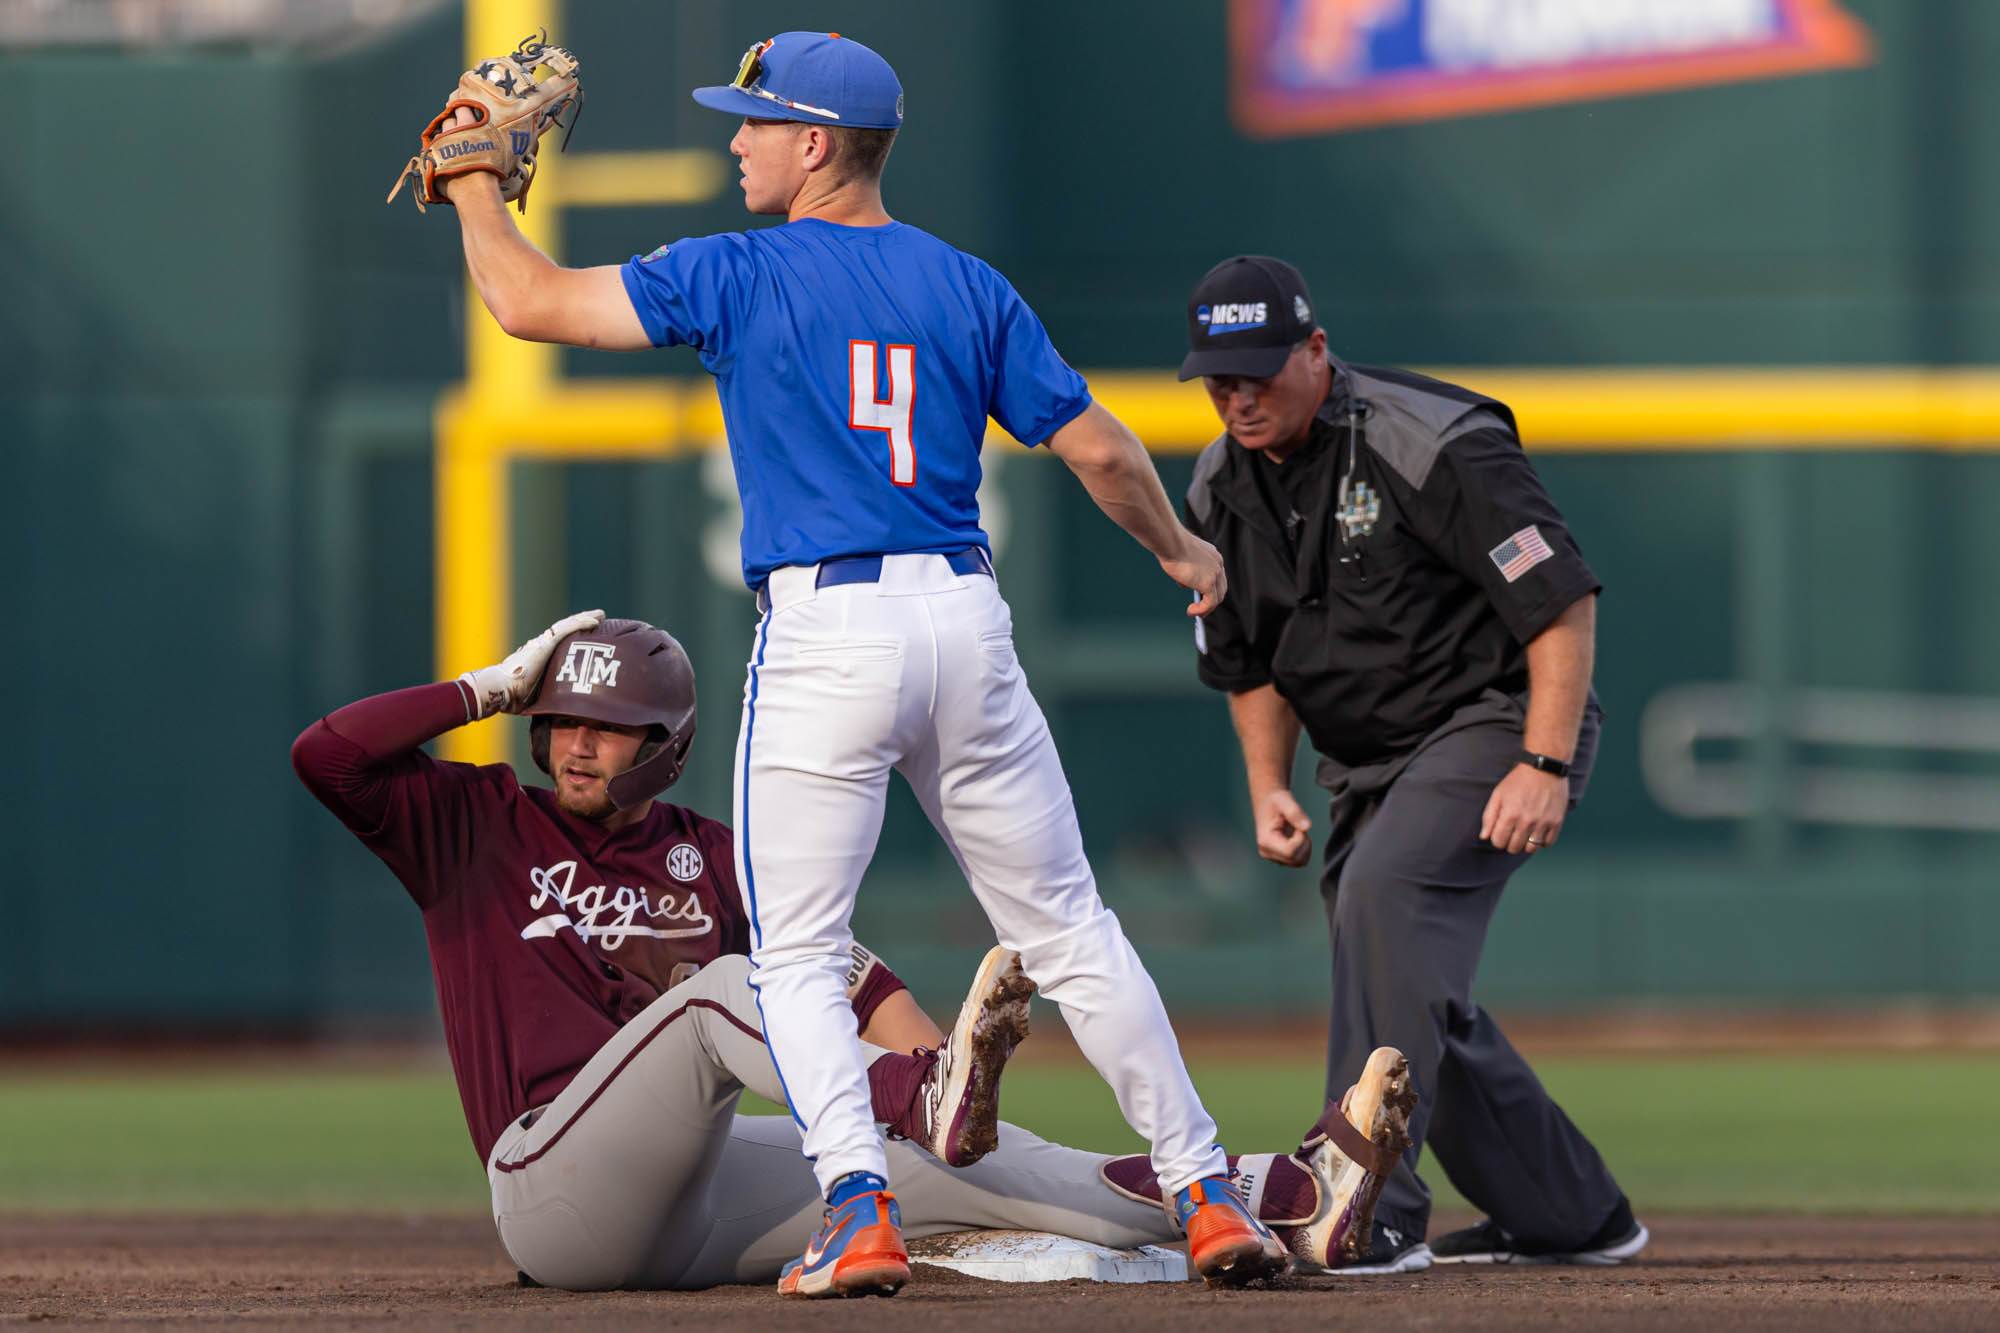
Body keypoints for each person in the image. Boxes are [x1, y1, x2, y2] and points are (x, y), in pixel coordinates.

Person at [420, 30, 1294, 1294]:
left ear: (816, 144)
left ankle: (859, 1210)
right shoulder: (966, 285)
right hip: (962, 622)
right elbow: (1102, 451)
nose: (735, 141)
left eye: (755, 123)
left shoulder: (734, 271)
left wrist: (473, 188)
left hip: (829, 630)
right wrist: (1182, 555)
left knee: (792, 953)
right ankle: (1205, 1191)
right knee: (1068, 930)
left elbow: (526, 301)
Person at [290, 612, 1417, 1290]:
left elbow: (857, 980)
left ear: (665, 747)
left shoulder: (712, 851)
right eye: (561, 720)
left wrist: (937, 1101)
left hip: (691, 1201)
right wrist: (489, 685)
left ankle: (1279, 1191)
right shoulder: (476, 824)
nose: (574, 743)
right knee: (726, 995)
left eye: (605, 725)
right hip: (548, 1190)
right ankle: (920, 1099)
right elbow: (326, 756)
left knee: (972, 1158)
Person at [1177, 255, 1649, 1273]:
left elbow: (1559, 598)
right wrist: (1267, 783)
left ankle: (1368, 1201)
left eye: (1259, 370)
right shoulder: (1219, 482)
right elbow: (1247, 663)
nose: (1237, 395)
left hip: (1491, 719)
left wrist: (1543, 760)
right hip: (1370, 763)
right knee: (1403, 975)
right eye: (1219, 377)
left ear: (1314, 349)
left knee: (1383, 905)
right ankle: (1570, 1214)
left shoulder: (1427, 441)